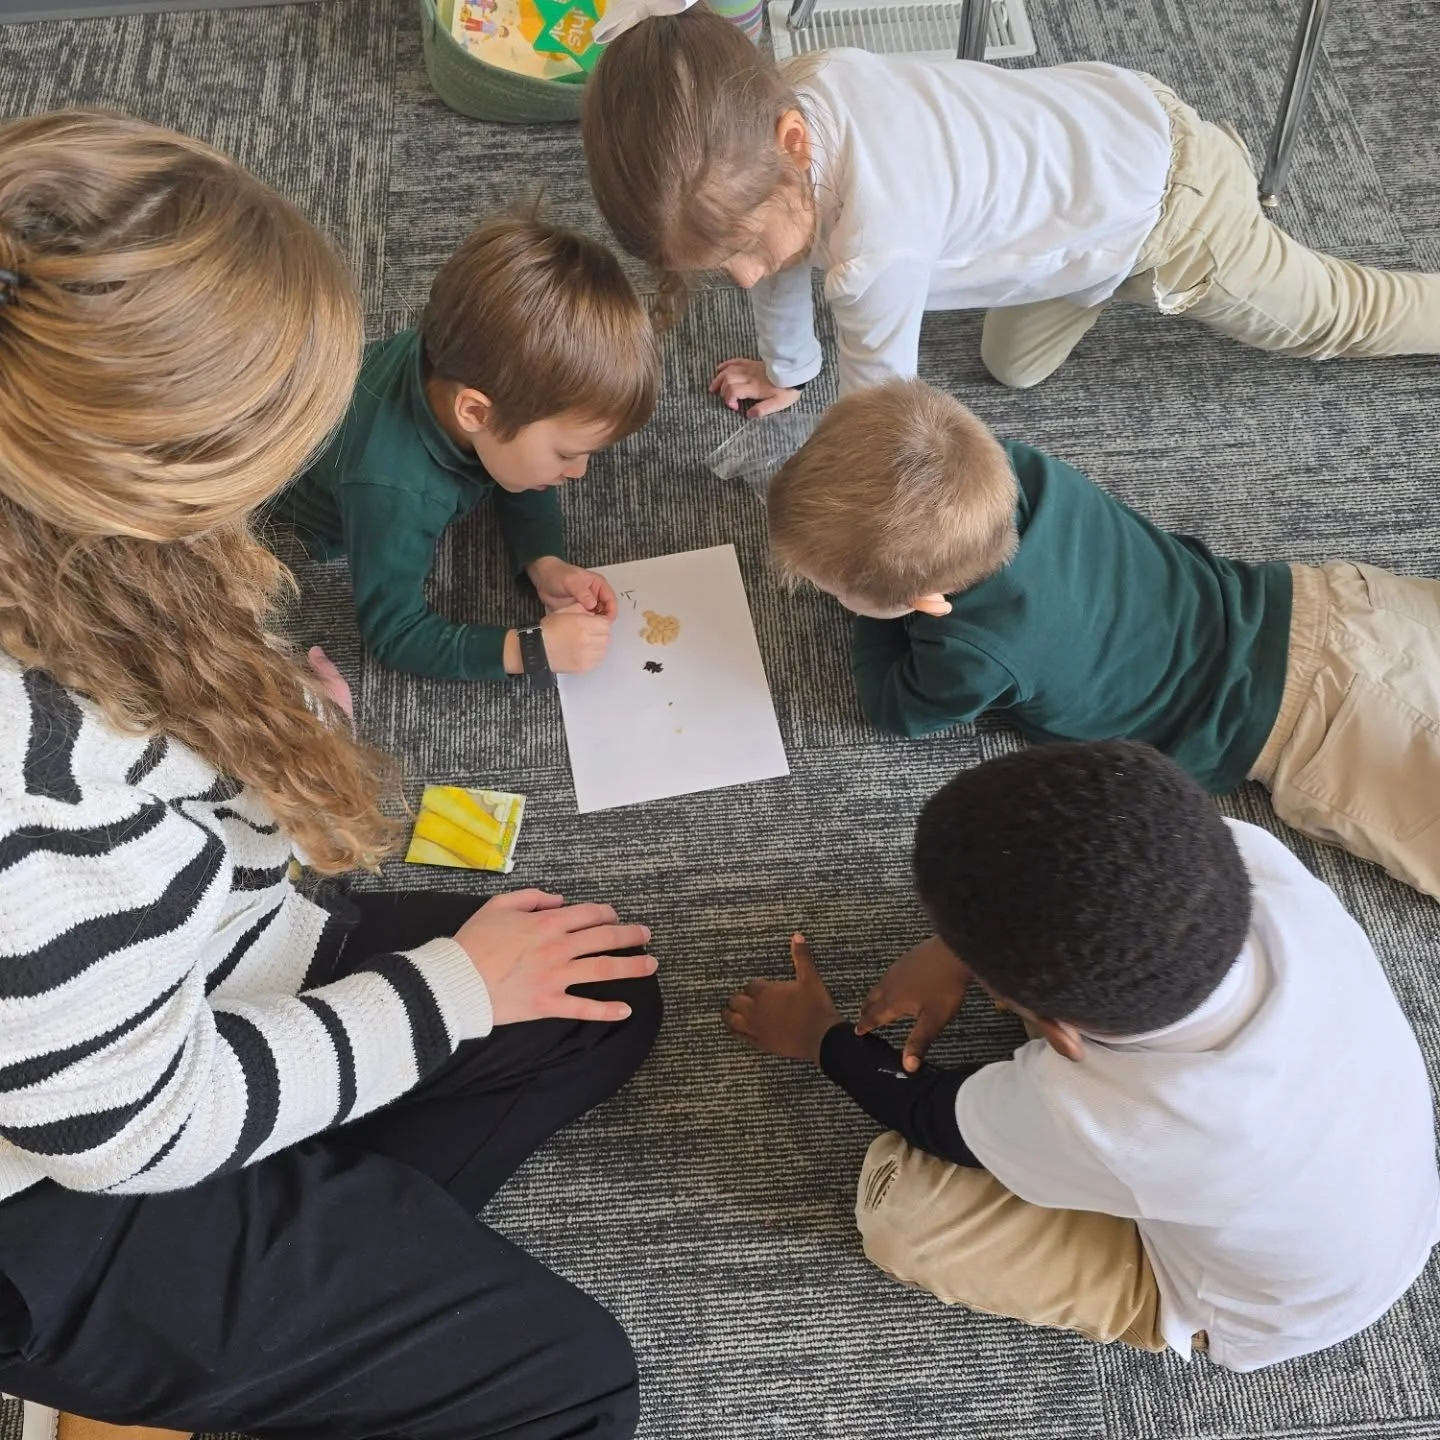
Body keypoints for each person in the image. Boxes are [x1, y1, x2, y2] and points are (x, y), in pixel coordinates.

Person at [0, 109, 659, 1440]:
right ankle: (154, 1377)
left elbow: (162, 776)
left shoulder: (89, 547)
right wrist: (448, 990)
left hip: (196, 970)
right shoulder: (30, 779)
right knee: (576, 1387)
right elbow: (131, 1125)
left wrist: (257, 722)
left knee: (602, 994)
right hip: (69, 1183)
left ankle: (283, 1312)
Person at [723, 740, 1440, 1369]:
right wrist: (959, 953)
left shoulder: (1107, 1114)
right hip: (1366, 1192)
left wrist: (819, 1037)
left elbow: (931, 1115)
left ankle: (1159, 1307)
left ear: (1062, 1036)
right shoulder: (1252, 858)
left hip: (1263, 1308)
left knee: (900, 1214)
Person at [766, 375, 1440, 899]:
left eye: (829, 590)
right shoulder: (1015, 469)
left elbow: (894, 709)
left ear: (925, 603)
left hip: (1310, 728)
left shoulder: (974, 651)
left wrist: (872, 620)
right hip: (1332, 602)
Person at [581, 2, 1440, 411]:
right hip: (1091, 144)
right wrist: (788, 369)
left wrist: (865, 558)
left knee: (1339, 315)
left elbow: (881, 422)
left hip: (1178, 214)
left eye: (741, 249)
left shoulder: (874, 252)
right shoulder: (795, 99)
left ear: (794, 143)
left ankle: (1240, 184)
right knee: (1012, 368)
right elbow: (778, 256)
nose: (742, 275)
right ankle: (1098, 256)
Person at [267, 214, 660, 684]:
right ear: (475, 413)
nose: (579, 472)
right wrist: (530, 648)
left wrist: (544, 560)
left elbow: (516, 467)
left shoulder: (462, 358)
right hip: (295, 524)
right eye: (565, 454)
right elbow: (393, 634)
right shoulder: (396, 494)